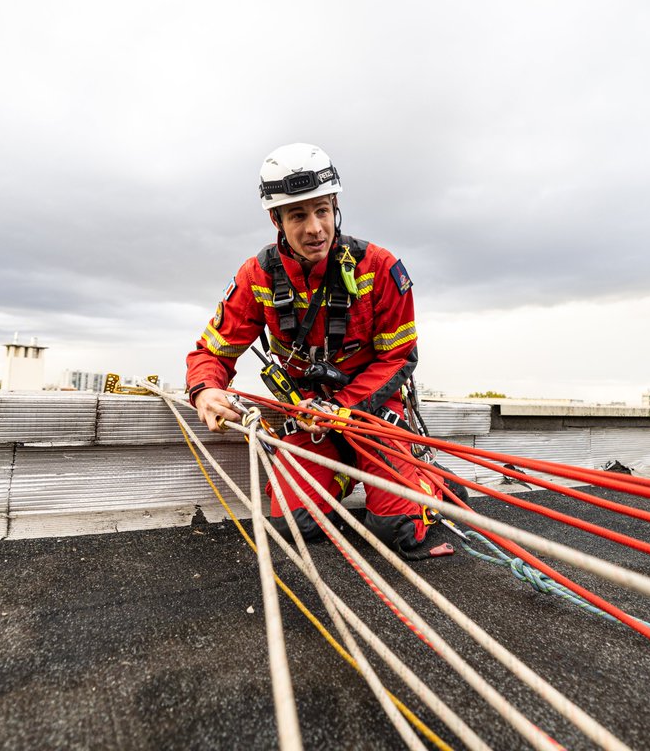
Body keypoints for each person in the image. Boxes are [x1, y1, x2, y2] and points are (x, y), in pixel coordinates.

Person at [185, 143, 461, 559]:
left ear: (335, 206)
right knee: (294, 526)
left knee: (398, 531)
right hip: (311, 418)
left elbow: (399, 358)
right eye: (298, 215)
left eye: (322, 211)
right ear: (275, 218)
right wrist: (206, 389)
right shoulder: (256, 276)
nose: (315, 228)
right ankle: (345, 474)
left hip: (373, 417)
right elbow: (213, 352)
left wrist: (344, 408)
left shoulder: (380, 268)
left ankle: (428, 479)